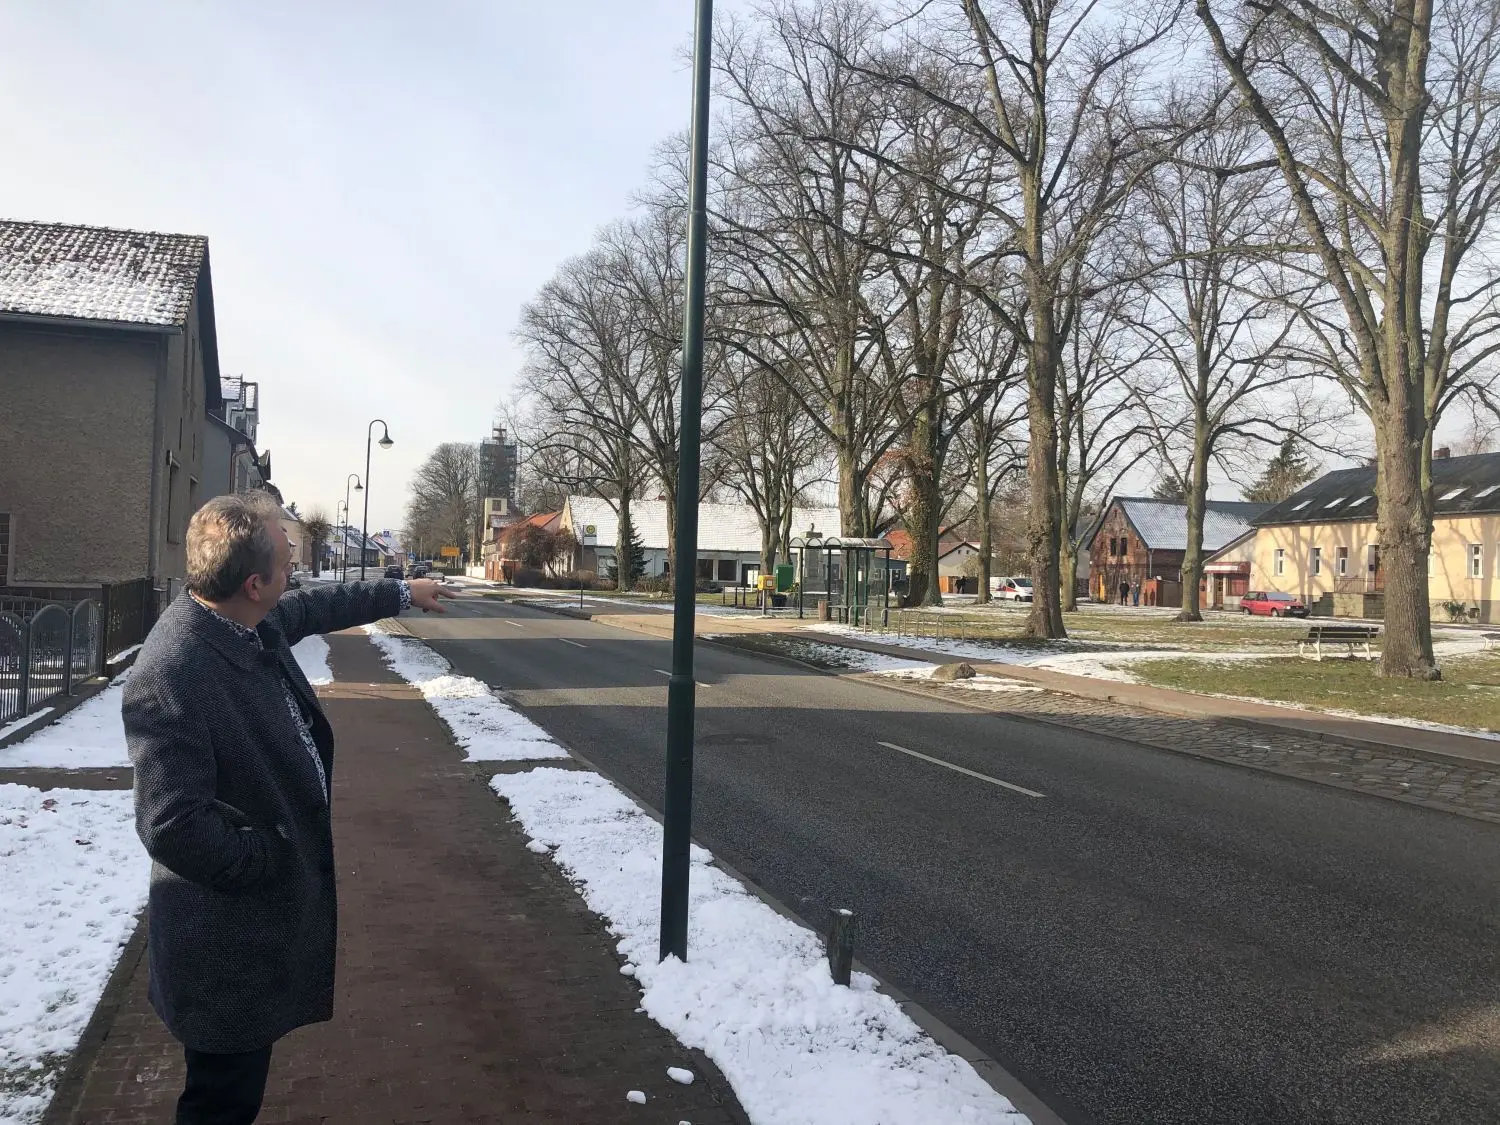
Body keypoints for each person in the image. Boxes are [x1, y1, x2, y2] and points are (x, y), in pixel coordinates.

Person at [123, 492, 452, 1124]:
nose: (295, 562)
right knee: (221, 1103)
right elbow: (171, 823)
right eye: (285, 556)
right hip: (223, 942)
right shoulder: (175, 669)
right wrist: (273, 854)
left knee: (235, 1092)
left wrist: (402, 594)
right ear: (254, 582)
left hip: (249, 931)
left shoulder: (235, 622)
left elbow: (311, 607)